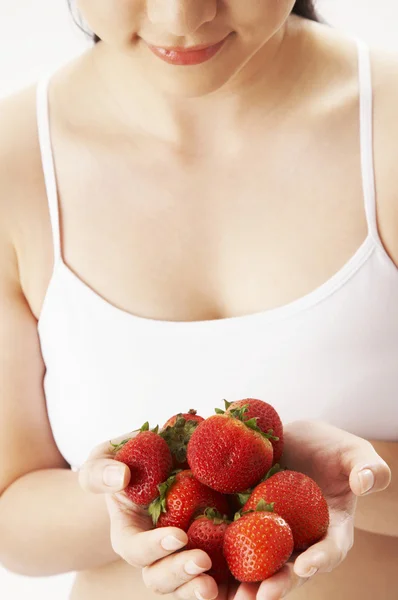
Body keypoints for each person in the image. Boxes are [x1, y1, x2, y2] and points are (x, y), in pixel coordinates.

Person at [0, 1, 396, 599]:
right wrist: (138, 494)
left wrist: (339, 482)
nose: (181, 17)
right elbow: (11, 519)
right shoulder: (14, 162)